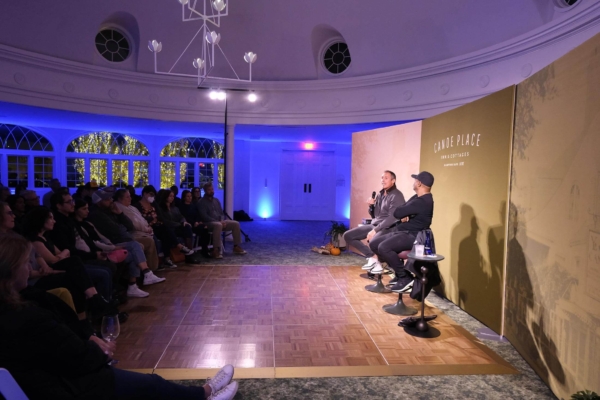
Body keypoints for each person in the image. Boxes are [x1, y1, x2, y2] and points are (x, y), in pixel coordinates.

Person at [0, 232, 240, 400]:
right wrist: (101, 349)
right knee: (151, 385)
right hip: (66, 386)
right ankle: (205, 394)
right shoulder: (25, 317)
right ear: (10, 271)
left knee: (145, 384)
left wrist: (89, 339)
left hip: (51, 377)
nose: (29, 269)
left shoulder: (26, 300)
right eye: (24, 263)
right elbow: (79, 357)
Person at [21, 207, 114, 320]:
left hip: (58, 268)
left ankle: (96, 304)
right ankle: (95, 302)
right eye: (50, 218)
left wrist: (62, 255)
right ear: (40, 220)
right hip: (45, 274)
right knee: (76, 267)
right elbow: (53, 260)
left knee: (84, 268)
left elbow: (63, 252)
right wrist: (62, 255)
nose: (54, 221)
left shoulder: (45, 238)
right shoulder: (35, 241)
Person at [86, 189, 166, 293]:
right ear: (99, 201)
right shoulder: (96, 214)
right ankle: (146, 273)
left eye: (111, 198)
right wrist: (121, 227)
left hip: (122, 239)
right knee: (135, 246)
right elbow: (115, 230)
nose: (111, 200)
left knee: (136, 248)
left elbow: (129, 226)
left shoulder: (112, 210)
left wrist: (119, 214)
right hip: (112, 243)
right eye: (107, 199)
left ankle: (134, 285)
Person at [369, 171, 435, 292]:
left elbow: (397, 212)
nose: (414, 182)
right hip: (404, 232)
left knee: (384, 247)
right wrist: (407, 212)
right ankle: (400, 274)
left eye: (415, 180)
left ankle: (405, 277)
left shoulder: (422, 201)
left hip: (414, 235)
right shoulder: (418, 198)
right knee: (374, 243)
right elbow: (403, 209)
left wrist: (406, 213)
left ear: (419, 183)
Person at [343, 170, 405, 274]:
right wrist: (371, 206)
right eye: (382, 178)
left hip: (389, 227)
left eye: (386, 178)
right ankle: (373, 257)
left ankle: (379, 262)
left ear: (393, 181)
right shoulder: (380, 194)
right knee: (348, 235)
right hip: (375, 224)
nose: (382, 180)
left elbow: (392, 217)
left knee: (373, 240)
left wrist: (375, 230)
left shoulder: (397, 195)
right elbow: (375, 216)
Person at [135, 185, 194, 268]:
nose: (152, 197)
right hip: (148, 227)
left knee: (166, 232)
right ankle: (179, 247)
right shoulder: (137, 206)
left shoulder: (154, 204)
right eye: (150, 195)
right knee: (166, 230)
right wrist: (152, 218)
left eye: (153, 195)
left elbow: (160, 216)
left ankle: (167, 258)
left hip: (159, 225)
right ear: (145, 194)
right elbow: (140, 218)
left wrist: (155, 218)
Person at [197, 182, 246, 259]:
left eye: (212, 189)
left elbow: (221, 213)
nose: (211, 191)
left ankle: (236, 246)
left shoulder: (216, 200)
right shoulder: (201, 202)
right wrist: (218, 222)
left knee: (235, 223)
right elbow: (204, 216)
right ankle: (216, 250)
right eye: (209, 190)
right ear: (205, 191)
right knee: (218, 225)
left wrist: (222, 220)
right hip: (208, 223)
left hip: (219, 222)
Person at [113, 189, 159, 271]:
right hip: (132, 234)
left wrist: (148, 227)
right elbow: (134, 224)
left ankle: (152, 268)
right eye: (127, 197)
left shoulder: (131, 207)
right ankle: (150, 269)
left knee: (153, 236)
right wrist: (146, 229)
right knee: (149, 240)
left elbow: (142, 220)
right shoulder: (120, 207)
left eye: (130, 196)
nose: (130, 199)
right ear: (120, 199)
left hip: (142, 231)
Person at [180, 189, 211, 257]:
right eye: (188, 196)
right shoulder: (182, 207)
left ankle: (204, 249)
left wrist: (197, 221)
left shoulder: (193, 205)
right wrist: (194, 223)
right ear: (184, 197)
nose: (190, 197)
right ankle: (201, 250)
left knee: (205, 229)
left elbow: (198, 215)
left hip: (196, 223)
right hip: (189, 224)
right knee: (202, 229)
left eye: (190, 196)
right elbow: (185, 217)